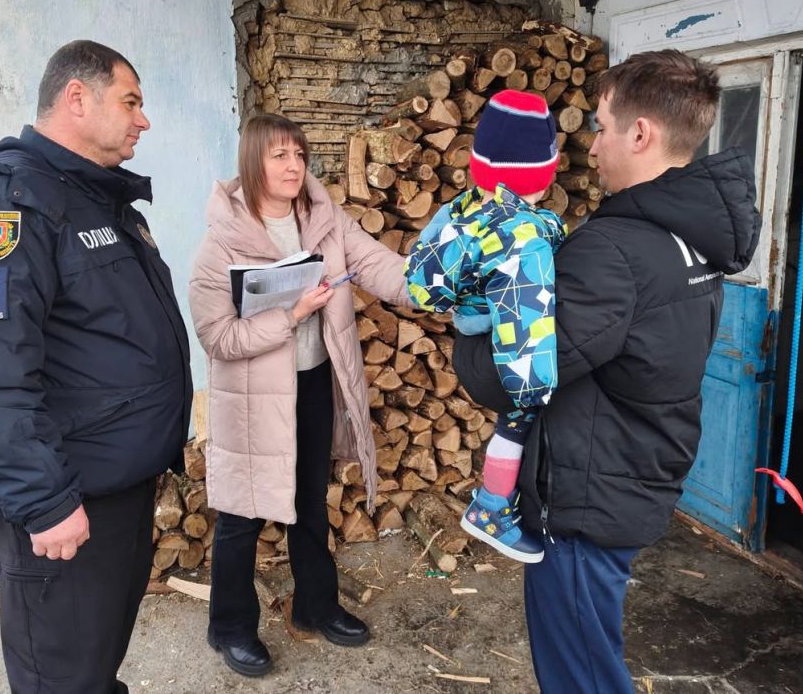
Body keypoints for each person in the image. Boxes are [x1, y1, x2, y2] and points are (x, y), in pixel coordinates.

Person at [450, 50, 761, 693]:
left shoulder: (615, 252)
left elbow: (507, 375)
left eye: (601, 125)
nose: (591, 146)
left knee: (582, 676)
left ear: (640, 133)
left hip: (587, 502)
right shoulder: (691, 237)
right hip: (634, 472)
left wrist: (469, 323)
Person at [0, 40, 192, 694]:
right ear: (77, 98)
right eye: (131, 101)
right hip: (67, 500)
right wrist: (43, 500)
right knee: (61, 679)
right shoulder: (7, 202)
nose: (143, 120)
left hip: (118, 489)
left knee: (92, 665)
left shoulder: (95, 199)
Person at [188, 113, 409, 677]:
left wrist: (433, 285)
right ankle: (229, 626)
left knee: (309, 502)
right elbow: (217, 336)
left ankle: (315, 606)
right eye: (278, 155)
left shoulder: (325, 221)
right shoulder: (222, 242)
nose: (293, 166)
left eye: (299, 155)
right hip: (252, 397)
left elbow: (377, 265)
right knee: (242, 513)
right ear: (253, 162)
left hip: (312, 383)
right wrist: (290, 316)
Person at [404, 90, 565, 562]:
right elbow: (524, 310)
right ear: (544, 170)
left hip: (469, 328)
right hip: (501, 340)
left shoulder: (462, 208)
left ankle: (494, 501)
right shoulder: (523, 236)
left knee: (510, 422)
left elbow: (422, 265)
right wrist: (537, 389)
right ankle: (492, 507)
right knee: (519, 418)